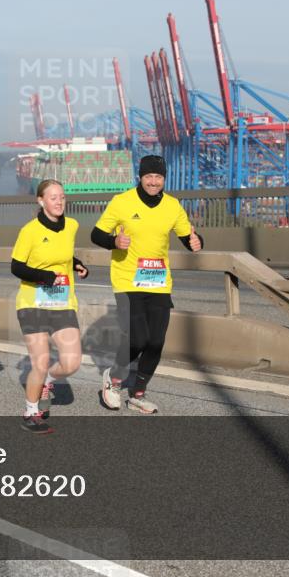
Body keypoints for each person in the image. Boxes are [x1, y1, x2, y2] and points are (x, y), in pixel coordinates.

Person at [90, 155, 202, 414]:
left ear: (164, 179)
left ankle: (138, 394)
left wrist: (197, 242)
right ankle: (114, 379)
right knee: (137, 338)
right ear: (140, 177)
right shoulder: (122, 202)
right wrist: (114, 242)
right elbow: (96, 234)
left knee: (156, 341)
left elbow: (188, 236)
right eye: (149, 176)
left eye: (158, 177)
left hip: (159, 282)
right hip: (127, 280)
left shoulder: (173, 206)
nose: (153, 182)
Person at [10, 179, 88, 434]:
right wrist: (44, 277)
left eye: (62, 197)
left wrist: (76, 264)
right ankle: (31, 412)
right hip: (33, 302)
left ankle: (48, 381)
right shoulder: (29, 231)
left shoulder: (72, 226)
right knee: (40, 362)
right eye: (53, 197)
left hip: (62, 302)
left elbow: (61, 254)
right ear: (41, 201)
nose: (59, 201)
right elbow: (16, 267)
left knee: (72, 363)